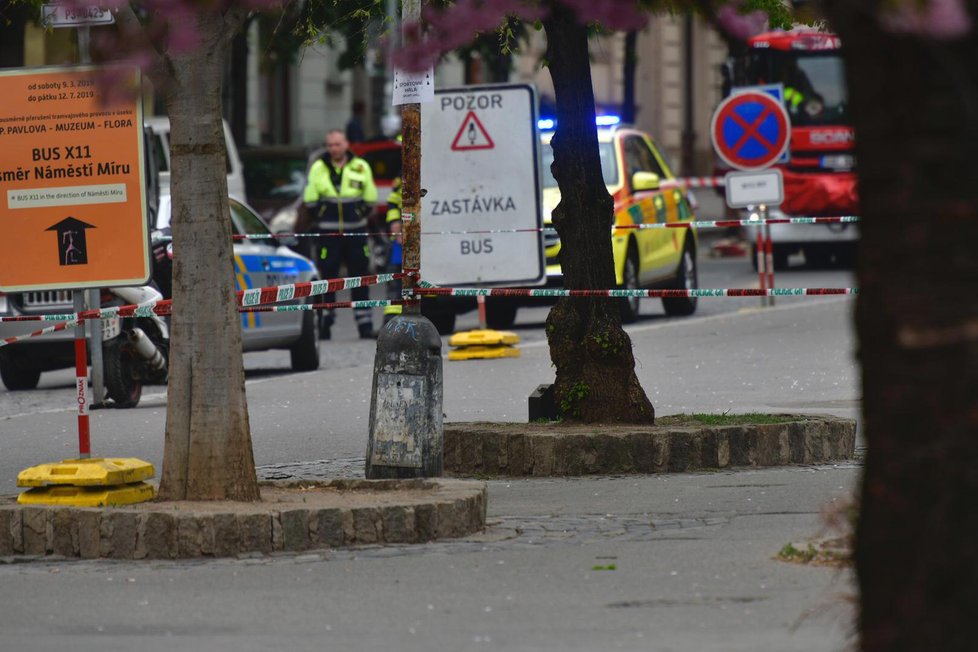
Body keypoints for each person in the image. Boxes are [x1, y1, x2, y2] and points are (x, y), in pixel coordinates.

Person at [298, 129, 378, 339]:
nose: (334, 148)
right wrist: (321, 214)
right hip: (328, 233)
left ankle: (365, 323)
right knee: (328, 278)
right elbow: (310, 198)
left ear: (346, 144)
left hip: (356, 233)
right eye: (331, 145)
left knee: (360, 277)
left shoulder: (360, 166)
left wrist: (359, 213)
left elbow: (370, 197)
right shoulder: (318, 167)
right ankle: (325, 323)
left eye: (338, 144)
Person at [382, 177, 403, 326]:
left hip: (429, 235)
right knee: (395, 278)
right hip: (401, 238)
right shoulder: (406, 172)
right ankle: (391, 322)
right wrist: (396, 223)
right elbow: (393, 201)